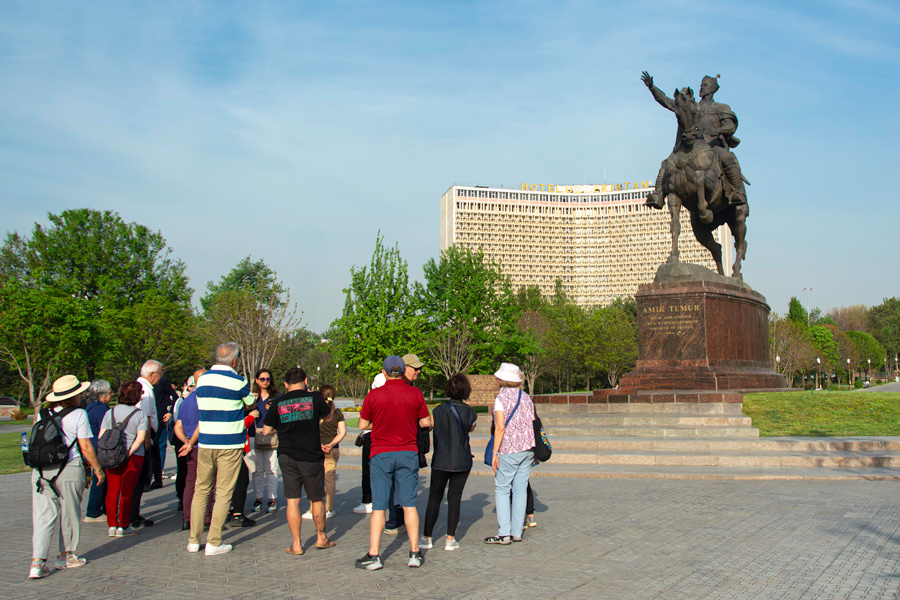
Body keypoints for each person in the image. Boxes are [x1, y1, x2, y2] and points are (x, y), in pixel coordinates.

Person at [355, 356, 432, 571]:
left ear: (385, 372)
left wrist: (379, 421)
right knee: (409, 504)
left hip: (381, 453)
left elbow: (362, 423)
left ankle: (374, 555)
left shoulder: (374, 395)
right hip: (408, 452)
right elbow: (426, 422)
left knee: (379, 507)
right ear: (402, 371)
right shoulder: (415, 393)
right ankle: (415, 553)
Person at [28, 375, 105, 579]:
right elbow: (86, 446)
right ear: (75, 395)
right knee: (69, 513)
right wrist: (98, 469)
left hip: (42, 470)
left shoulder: (43, 413)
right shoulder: (79, 413)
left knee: (43, 516)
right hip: (69, 467)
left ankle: (37, 563)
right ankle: (66, 555)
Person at [187, 343, 256, 556]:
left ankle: (193, 539)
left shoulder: (203, 379)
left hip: (206, 441)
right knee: (224, 491)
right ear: (235, 361)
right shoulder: (238, 381)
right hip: (229, 443)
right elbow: (251, 403)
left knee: (202, 490)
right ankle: (214, 541)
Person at [642, 71, 747, 209]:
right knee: (667, 163)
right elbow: (666, 101)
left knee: (726, 157)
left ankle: (737, 192)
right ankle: (658, 195)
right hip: (692, 145)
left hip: (712, 145)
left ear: (713, 89)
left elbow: (730, 126)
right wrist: (652, 87)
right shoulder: (691, 105)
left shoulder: (721, 107)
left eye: (705, 85)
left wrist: (718, 131)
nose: (702, 88)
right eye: (701, 85)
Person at [261, 367, 335, 555]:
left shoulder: (278, 402)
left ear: (286, 384)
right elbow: (328, 417)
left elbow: (266, 430)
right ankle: (321, 538)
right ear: (305, 382)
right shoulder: (315, 398)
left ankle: (296, 544)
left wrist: (282, 427)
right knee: (316, 497)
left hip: (287, 455)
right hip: (310, 455)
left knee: (292, 500)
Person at [420, 373, 477, 552]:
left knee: (434, 498)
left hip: (441, 459)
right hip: (462, 460)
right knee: (455, 498)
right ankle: (450, 538)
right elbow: (471, 427)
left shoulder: (438, 410)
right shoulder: (470, 412)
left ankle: (427, 537)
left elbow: (429, 425)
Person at [484, 362, 535, 546]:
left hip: (509, 449)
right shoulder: (527, 397)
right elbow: (533, 422)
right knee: (520, 490)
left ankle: (504, 533)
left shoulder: (501, 399)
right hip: (528, 449)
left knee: (503, 488)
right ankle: (516, 532)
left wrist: (495, 452)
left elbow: (500, 427)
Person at [99, 381, 148, 537]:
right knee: (127, 491)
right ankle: (124, 525)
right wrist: (128, 452)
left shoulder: (110, 412)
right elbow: (140, 438)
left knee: (112, 490)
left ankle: (112, 524)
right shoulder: (140, 414)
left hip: (111, 454)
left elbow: (102, 435)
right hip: (133, 456)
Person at [384, 353, 426, 535]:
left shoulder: (413, 390)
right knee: (396, 485)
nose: (418, 371)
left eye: (419, 368)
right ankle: (395, 520)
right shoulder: (398, 389)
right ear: (403, 368)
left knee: (403, 485)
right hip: (395, 444)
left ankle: (400, 520)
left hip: (409, 444)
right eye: (415, 368)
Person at [174, 369, 213, 531]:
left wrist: (185, 440)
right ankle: (205, 518)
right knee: (206, 483)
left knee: (190, 482)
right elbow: (202, 424)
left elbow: (178, 426)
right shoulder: (204, 399)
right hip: (203, 445)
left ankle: (187, 517)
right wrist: (191, 442)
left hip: (190, 446)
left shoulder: (185, 401)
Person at [302, 384, 345, 520]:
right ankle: (329, 509)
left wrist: (320, 444)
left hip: (316, 448)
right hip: (332, 449)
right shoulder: (338, 413)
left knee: (314, 478)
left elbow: (309, 430)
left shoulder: (316, 411)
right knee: (330, 479)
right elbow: (342, 432)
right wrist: (331, 444)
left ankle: (312, 509)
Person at [131, 360, 162, 529]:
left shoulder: (143, 387)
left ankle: (132, 512)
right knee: (140, 478)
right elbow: (145, 418)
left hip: (142, 437)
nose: (160, 377)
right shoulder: (146, 391)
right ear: (151, 374)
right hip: (143, 438)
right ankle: (133, 514)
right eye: (159, 374)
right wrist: (148, 440)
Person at [353, 373, 386, 515]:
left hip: (371, 435)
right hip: (385, 436)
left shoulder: (372, 397)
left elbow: (363, 423)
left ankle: (367, 501)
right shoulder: (389, 397)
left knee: (367, 470)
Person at [250, 368, 280, 515]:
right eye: (262, 379)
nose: (265, 382)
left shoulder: (276, 397)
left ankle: (272, 499)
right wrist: (251, 403)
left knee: (271, 468)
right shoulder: (251, 397)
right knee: (256, 470)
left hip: (271, 435)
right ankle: (258, 498)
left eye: (268, 379)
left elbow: (283, 415)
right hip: (254, 434)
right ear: (256, 380)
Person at [82, 380, 112, 523]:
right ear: (102, 394)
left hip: (94, 446)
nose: (111, 395)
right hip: (98, 448)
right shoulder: (100, 409)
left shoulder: (91, 407)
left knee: (99, 478)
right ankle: (93, 512)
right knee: (100, 479)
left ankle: (97, 510)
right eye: (109, 392)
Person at [228, 406, 259, 528]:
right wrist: (251, 417)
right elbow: (238, 425)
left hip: (220, 446)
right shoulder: (232, 406)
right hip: (234, 448)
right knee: (241, 481)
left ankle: (228, 511)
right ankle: (237, 514)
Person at [150, 375, 178, 489]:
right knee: (151, 446)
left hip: (160, 417)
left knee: (159, 445)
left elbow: (175, 397)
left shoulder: (163, 382)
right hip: (149, 417)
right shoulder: (145, 385)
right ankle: (152, 472)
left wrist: (170, 411)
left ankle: (158, 473)